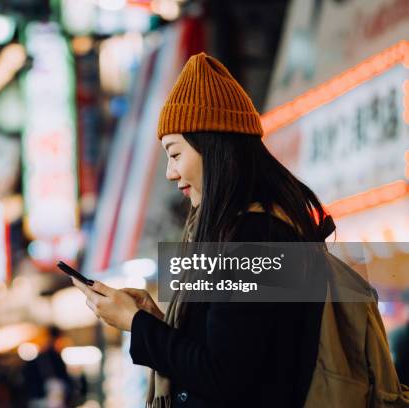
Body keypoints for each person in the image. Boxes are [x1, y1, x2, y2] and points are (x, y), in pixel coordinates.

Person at [70, 53, 335, 407]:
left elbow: (223, 377)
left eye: (175, 154)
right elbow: (235, 355)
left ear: (213, 147)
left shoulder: (253, 237)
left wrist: (137, 325)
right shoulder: (257, 229)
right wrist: (156, 321)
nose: (170, 172)